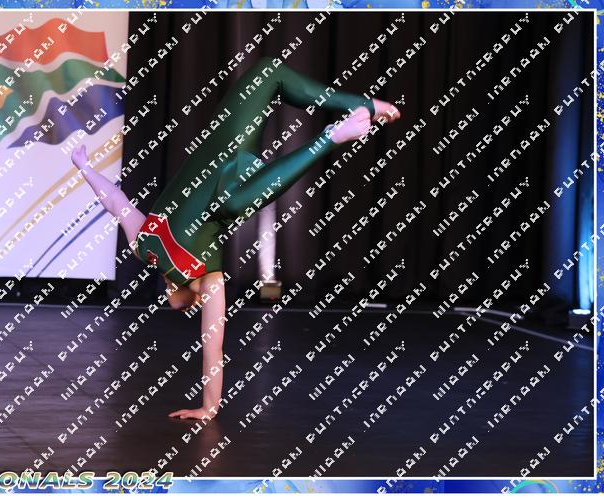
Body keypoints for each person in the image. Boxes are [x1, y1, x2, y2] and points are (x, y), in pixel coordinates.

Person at [71, 56, 401, 420]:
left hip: (223, 146)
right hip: (237, 192)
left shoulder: (144, 246)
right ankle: (334, 136)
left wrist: (84, 167)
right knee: (231, 203)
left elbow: (115, 201)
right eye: (185, 308)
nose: (173, 302)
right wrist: (209, 407)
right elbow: (212, 347)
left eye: (175, 303)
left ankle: (366, 106)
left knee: (268, 71)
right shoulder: (208, 281)